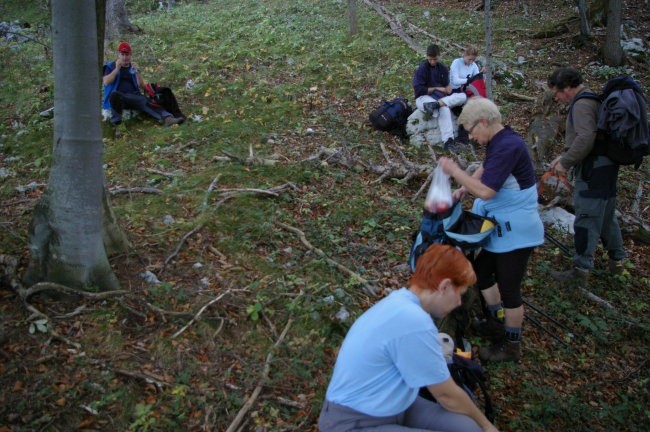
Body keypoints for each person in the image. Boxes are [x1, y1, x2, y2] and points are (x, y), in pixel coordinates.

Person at [318, 244, 499, 432]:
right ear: (444, 286)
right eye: (459, 295)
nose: (459, 303)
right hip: (352, 422)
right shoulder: (413, 320)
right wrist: (487, 425)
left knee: (467, 428)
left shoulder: (402, 301)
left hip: (398, 405)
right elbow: (446, 395)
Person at [438, 97, 544, 363]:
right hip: (502, 227)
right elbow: (486, 169)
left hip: (518, 231)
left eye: (472, 131)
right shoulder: (501, 140)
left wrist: (454, 171)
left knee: (510, 289)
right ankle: (496, 320)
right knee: (482, 273)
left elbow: (486, 191)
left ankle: (511, 345)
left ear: (483, 122)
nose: (472, 138)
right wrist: (463, 188)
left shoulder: (509, 145)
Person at [546, 68, 626, 281]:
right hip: (605, 168)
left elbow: (585, 138)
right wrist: (562, 157)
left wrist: (566, 162)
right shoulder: (592, 99)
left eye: (557, 93)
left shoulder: (581, 104)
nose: (557, 98)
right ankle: (617, 261)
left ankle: (580, 270)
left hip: (593, 171)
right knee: (607, 215)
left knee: (586, 217)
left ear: (568, 88)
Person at [102, 42, 183, 126]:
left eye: (127, 55)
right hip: (118, 97)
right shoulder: (110, 66)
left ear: (130, 55)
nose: (125, 57)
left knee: (144, 100)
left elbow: (141, 86)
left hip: (133, 96)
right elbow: (106, 82)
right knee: (114, 95)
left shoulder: (132, 67)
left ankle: (167, 118)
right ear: (119, 55)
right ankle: (117, 124)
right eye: (122, 54)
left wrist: (137, 72)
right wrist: (117, 69)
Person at [413, 44, 468, 152]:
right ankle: (448, 141)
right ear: (427, 57)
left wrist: (448, 89)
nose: (433, 61)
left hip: (441, 99)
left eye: (435, 59)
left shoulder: (442, 68)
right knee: (444, 108)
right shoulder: (422, 69)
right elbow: (419, 90)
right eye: (430, 59)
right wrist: (436, 88)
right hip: (424, 99)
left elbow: (448, 88)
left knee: (463, 96)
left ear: (439, 56)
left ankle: (437, 105)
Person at [449, 45, 483, 144]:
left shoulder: (473, 66)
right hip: (454, 91)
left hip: (466, 92)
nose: (471, 61)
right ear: (464, 55)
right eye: (470, 59)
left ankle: (466, 137)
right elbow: (455, 81)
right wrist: (469, 80)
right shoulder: (456, 63)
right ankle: (462, 138)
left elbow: (477, 80)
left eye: (473, 59)